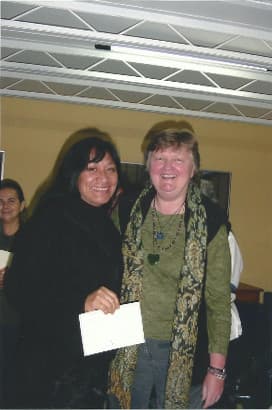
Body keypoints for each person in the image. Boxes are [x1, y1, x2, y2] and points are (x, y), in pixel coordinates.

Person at [108, 121, 231, 409]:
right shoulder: (125, 210)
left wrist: (217, 369)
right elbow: (105, 268)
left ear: (193, 169)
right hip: (126, 343)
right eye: (160, 158)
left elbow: (218, 302)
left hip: (184, 351)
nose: (168, 167)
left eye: (178, 159)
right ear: (148, 164)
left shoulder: (212, 222)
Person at [4, 131, 123, 409]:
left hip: (89, 368)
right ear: (74, 174)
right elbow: (19, 288)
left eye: (110, 169)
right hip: (50, 373)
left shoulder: (107, 227)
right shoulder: (50, 219)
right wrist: (80, 302)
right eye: (91, 168)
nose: (103, 178)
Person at [0, 179, 26, 407]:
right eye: (0, 201)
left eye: (11, 200)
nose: (5, 206)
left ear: (22, 205)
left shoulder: (32, 239)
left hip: (19, 322)